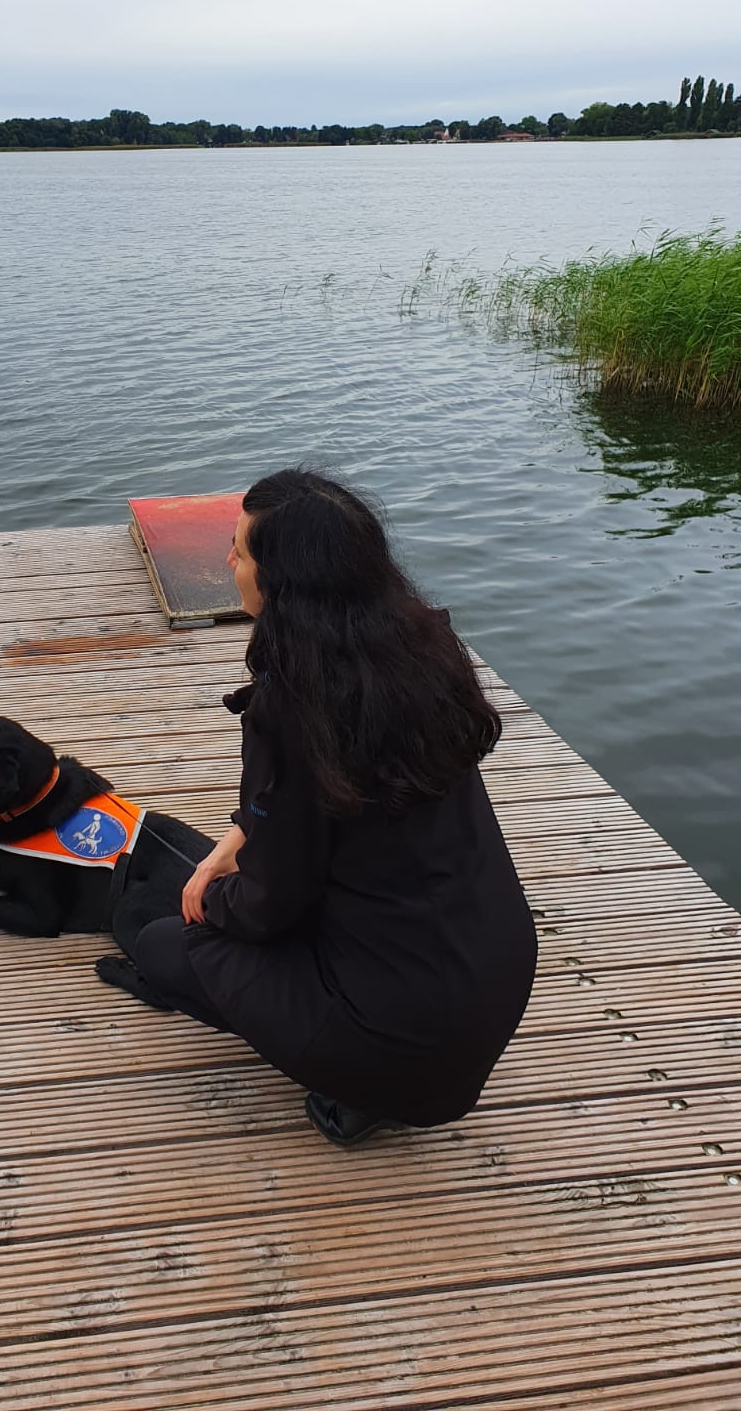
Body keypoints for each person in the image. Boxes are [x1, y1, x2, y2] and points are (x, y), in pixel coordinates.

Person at [96, 468, 538, 1147]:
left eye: (240, 551)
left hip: (403, 1038)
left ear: (285, 584)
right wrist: (241, 833)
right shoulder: (423, 651)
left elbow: (272, 904)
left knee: (160, 941)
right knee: (247, 908)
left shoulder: (297, 708)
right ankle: (376, 1072)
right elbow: (338, 808)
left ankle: (364, 1088)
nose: (228, 561)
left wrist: (207, 905)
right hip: (493, 975)